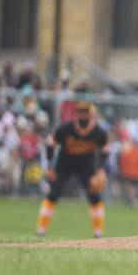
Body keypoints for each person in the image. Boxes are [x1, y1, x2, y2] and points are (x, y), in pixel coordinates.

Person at [35, 101, 109, 238]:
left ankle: (98, 233)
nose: (83, 115)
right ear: (76, 114)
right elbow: (50, 144)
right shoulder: (66, 129)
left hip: (87, 165)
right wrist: (50, 166)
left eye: (86, 112)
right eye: (80, 112)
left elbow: (105, 151)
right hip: (64, 164)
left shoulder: (99, 132)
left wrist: (101, 170)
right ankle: (41, 229)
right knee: (53, 194)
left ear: (91, 114)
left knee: (95, 196)